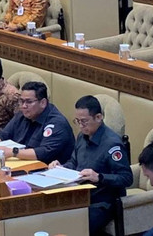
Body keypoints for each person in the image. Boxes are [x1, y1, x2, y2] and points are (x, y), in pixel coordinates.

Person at [49, 95, 132, 235]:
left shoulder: (112, 144)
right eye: (78, 121)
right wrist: (61, 167)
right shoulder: (82, 136)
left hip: (102, 202)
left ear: (98, 117)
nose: (81, 126)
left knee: (74, 228)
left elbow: (126, 178)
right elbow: (74, 162)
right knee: (51, 216)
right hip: (79, 195)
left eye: (84, 121)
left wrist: (99, 177)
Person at [0, 81, 74, 164]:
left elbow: (44, 153)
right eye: (21, 101)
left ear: (43, 103)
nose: (23, 106)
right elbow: (4, 134)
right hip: (22, 164)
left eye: (28, 102)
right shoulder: (23, 114)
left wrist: (13, 152)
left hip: (46, 169)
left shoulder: (57, 123)